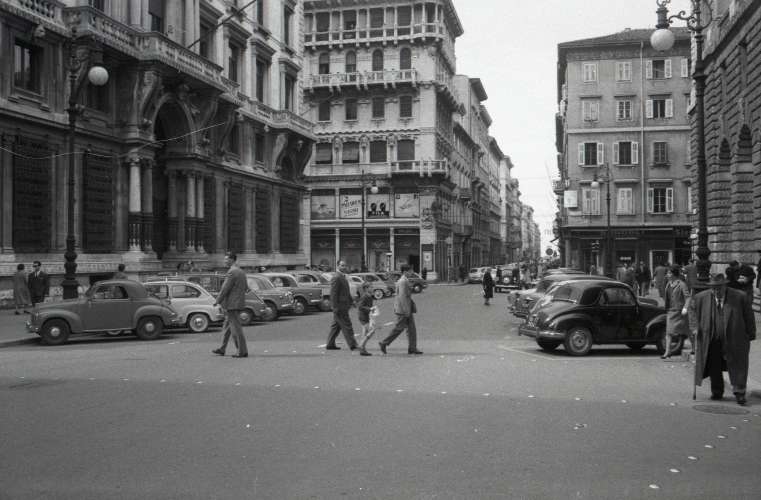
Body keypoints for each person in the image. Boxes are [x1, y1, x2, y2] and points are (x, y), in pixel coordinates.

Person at [692, 273, 755, 405]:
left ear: (725, 286)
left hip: (735, 337)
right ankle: (717, 391)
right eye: (714, 288)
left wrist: (750, 334)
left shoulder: (739, 296)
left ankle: (740, 392)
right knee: (714, 365)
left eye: (719, 287)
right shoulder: (701, 297)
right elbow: (693, 313)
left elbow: (749, 316)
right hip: (712, 337)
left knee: (738, 364)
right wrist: (695, 327)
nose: (716, 291)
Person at [379, 264, 422, 355]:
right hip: (403, 310)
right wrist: (406, 311)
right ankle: (384, 343)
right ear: (405, 272)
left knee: (411, 329)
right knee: (399, 328)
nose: (412, 272)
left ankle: (412, 348)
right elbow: (402, 297)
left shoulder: (405, 280)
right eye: (410, 271)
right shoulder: (403, 281)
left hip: (406, 308)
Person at [212, 252, 248, 358]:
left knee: (236, 328)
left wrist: (218, 300)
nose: (225, 261)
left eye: (226, 259)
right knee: (227, 327)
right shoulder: (241, 271)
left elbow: (225, 288)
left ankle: (241, 351)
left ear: (232, 260)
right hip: (237, 302)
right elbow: (246, 287)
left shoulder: (232, 272)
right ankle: (222, 348)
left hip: (232, 304)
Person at [325, 260, 359, 351]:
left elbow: (346, 292)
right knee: (347, 325)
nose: (344, 267)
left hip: (343, 305)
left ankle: (330, 344)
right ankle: (353, 345)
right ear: (337, 266)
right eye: (342, 265)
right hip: (340, 307)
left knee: (336, 326)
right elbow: (333, 294)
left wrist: (352, 301)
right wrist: (334, 307)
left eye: (345, 265)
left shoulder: (342, 276)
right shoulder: (336, 277)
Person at [662, 265, 691, 359]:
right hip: (671, 311)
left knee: (687, 331)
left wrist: (685, 308)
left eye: (669, 273)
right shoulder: (668, 284)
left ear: (674, 274)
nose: (667, 274)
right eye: (667, 273)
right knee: (669, 332)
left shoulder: (682, 284)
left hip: (680, 312)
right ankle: (667, 352)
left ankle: (695, 347)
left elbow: (688, 297)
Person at [356, 282, 378, 356]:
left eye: (372, 287)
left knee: (365, 332)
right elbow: (360, 306)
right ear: (366, 288)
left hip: (366, 315)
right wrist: (370, 309)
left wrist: (372, 310)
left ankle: (362, 348)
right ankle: (361, 346)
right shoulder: (365, 296)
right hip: (363, 316)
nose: (372, 288)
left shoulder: (369, 296)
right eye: (371, 287)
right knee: (371, 331)